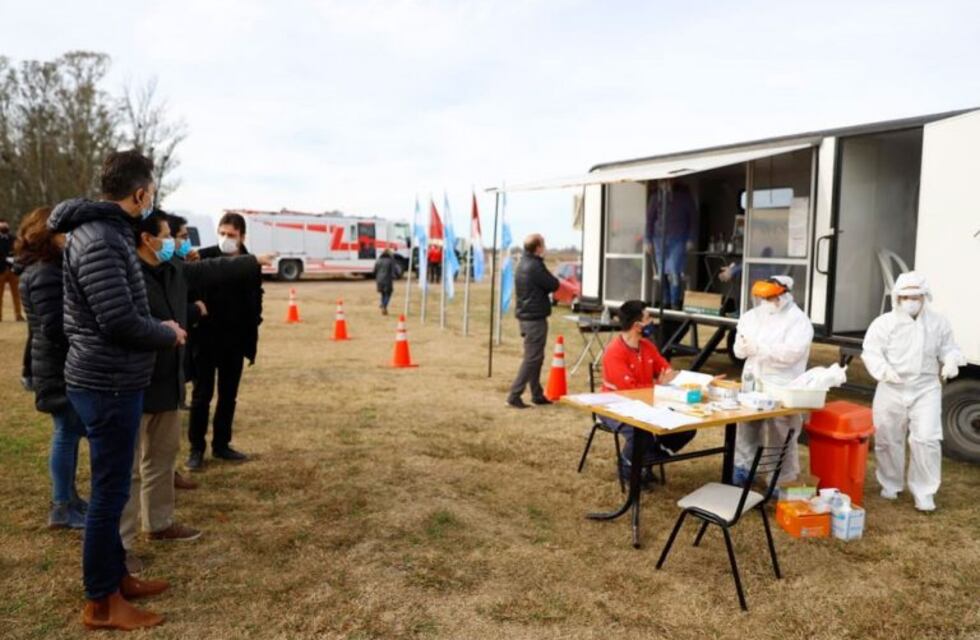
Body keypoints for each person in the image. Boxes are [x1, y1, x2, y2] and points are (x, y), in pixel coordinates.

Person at [50, 149, 185, 630]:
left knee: (113, 487)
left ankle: (117, 578)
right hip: (106, 381)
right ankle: (102, 601)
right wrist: (165, 332)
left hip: (112, 376)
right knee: (109, 494)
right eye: (151, 192)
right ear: (140, 193)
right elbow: (118, 319)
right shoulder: (103, 239)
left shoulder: (104, 232)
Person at [121, 210, 267, 565]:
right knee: (129, 469)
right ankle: (119, 548)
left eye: (181, 237)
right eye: (173, 236)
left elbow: (215, 273)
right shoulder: (127, 273)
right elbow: (124, 322)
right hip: (139, 378)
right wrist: (175, 325)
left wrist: (251, 262)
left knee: (161, 457)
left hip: (171, 376)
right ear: (148, 239)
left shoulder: (173, 268)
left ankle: (160, 523)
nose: (179, 243)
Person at [862, 272, 965, 512]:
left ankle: (925, 491)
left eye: (915, 296)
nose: (910, 301)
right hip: (891, 386)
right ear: (897, 298)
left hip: (925, 387)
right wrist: (885, 371)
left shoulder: (938, 322)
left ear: (924, 296)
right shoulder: (884, 323)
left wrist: (951, 360)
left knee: (927, 439)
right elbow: (871, 352)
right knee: (887, 437)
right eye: (905, 297)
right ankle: (890, 483)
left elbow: (949, 347)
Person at [16, 207, 89, 529]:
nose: (70, 237)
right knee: (66, 432)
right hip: (57, 366)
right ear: (47, 234)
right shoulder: (45, 274)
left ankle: (70, 497)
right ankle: (61, 505)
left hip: (56, 363)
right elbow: (54, 326)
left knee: (69, 432)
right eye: (64, 232)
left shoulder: (47, 269)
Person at [186, 212, 263, 470]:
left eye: (231, 235)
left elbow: (256, 295)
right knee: (201, 396)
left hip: (235, 341)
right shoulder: (203, 257)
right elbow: (189, 290)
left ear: (242, 237)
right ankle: (196, 449)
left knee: (228, 396)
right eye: (222, 233)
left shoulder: (250, 262)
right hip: (205, 339)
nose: (226, 238)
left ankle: (222, 444)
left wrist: (254, 320)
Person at [601, 300, 696, 486]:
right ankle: (628, 469)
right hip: (614, 406)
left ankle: (644, 461)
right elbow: (630, 392)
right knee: (641, 434)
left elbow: (666, 371)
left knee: (686, 428)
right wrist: (659, 384)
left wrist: (669, 378)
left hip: (648, 403)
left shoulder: (647, 346)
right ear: (637, 326)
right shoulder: (614, 352)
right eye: (648, 318)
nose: (652, 321)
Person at [732, 275, 813, 485]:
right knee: (747, 426)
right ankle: (744, 468)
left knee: (781, 433)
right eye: (764, 298)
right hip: (753, 380)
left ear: (785, 295)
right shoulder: (751, 316)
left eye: (771, 298)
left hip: (782, 384)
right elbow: (739, 348)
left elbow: (792, 353)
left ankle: (780, 479)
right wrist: (742, 348)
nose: (767, 302)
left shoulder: (798, 321)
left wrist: (760, 349)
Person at [507, 233, 560, 409]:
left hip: (526, 316)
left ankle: (537, 394)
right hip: (534, 318)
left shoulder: (522, 263)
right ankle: (515, 395)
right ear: (538, 248)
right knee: (532, 358)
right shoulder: (536, 266)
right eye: (543, 245)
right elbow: (553, 284)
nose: (545, 248)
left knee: (536, 357)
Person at [645, 181, 696, 310]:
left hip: (678, 239)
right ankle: (665, 301)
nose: (666, 183)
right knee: (661, 272)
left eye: (668, 180)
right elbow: (649, 221)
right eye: (663, 181)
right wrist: (647, 240)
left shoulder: (684, 197)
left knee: (674, 270)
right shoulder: (656, 198)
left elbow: (693, 220)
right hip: (659, 240)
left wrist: (691, 239)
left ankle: (674, 302)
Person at [0, 217, 25, 321]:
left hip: (13, 270)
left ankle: (18, 315)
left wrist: (15, 259)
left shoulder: (13, 239)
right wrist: (5, 259)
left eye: (5, 224)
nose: (4, 226)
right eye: (2, 225)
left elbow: (18, 251)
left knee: (16, 294)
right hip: (0, 270)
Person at [374, 249, 402, 315]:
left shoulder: (378, 260)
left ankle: (382, 304)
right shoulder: (391, 261)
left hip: (379, 279)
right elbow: (393, 271)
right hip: (387, 279)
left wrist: (377, 276)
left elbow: (374, 270)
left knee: (383, 293)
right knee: (388, 293)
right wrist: (396, 276)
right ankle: (384, 306)